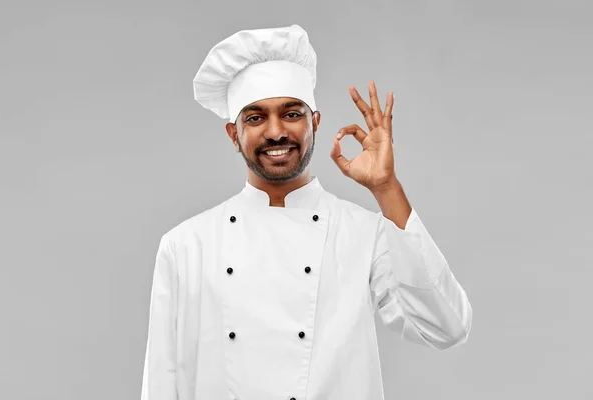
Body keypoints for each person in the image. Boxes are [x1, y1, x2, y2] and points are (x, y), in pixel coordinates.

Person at [140, 24, 472, 400]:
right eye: (255, 118)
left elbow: (449, 328)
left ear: (314, 122)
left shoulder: (363, 233)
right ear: (234, 135)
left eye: (292, 113)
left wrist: (386, 188)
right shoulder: (186, 246)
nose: (276, 132)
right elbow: (161, 383)